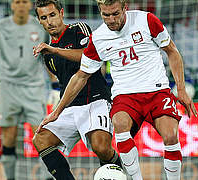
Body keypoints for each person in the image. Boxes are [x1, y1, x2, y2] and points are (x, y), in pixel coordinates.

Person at [37, 0, 198, 179]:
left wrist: (181, 89)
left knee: (170, 136)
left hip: (156, 90)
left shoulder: (147, 20)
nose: (112, 19)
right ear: (100, 12)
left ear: (124, 8)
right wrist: (57, 111)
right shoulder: (98, 38)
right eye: (106, 15)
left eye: (115, 14)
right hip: (125, 95)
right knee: (120, 125)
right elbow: (80, 76)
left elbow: (172, 51)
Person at [32, 0, 122, 179]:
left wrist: (55, 50)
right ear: (39, 21)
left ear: (61, 14)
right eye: (44, 18)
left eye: (52, 15)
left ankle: (120, 173)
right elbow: (63, 81)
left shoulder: (78, 29)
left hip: (95, 100)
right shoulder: (47, 55)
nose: (50, 21)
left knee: (101, 147)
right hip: (70, 107)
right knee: (40, 139)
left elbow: (88, 56)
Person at [0, 0, 52, 179]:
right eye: (17, 1)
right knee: (9, 136)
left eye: (25, 1)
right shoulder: (0, 27)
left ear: (30, 5)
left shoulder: (40, 27)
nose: (21, 5)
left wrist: (55, 86)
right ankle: (10, 177)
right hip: (7, 88)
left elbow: (48, 56)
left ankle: (46, 177)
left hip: (34, 87)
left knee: (42, 134)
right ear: (12, 5)